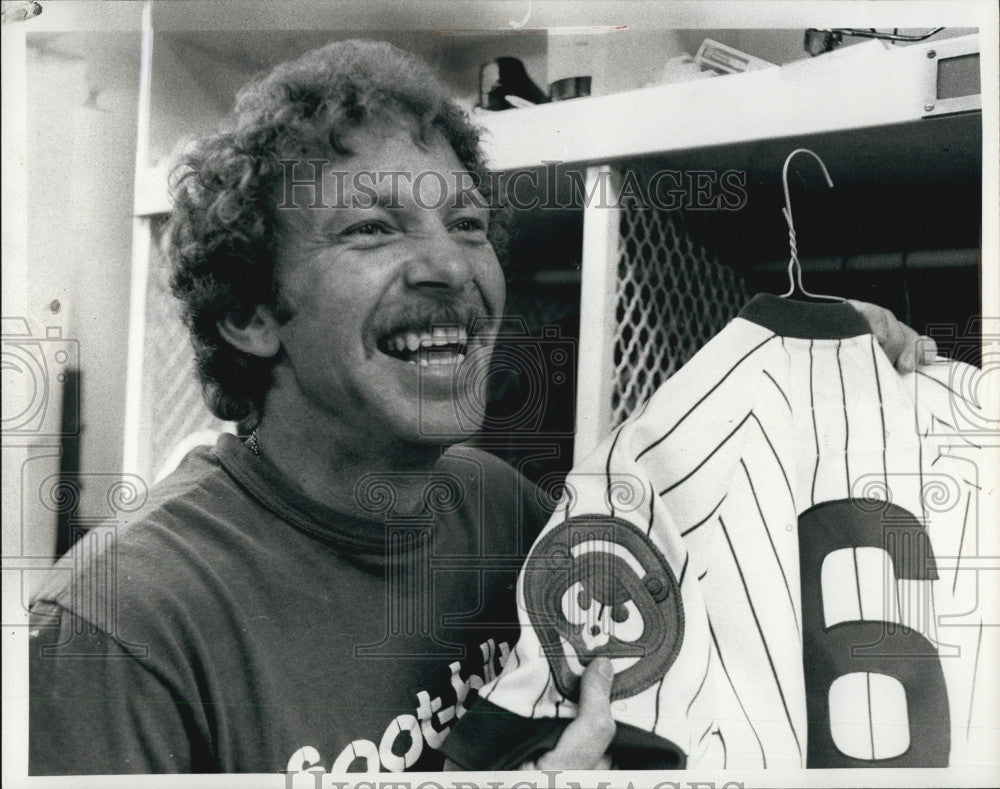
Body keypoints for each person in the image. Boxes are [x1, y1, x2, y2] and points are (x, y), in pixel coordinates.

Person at [28, 39, 934, 775]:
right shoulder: (118, 630)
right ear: (250, 312)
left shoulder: (500, 509)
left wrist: (807, 379)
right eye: (372, 228)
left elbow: (731, 593)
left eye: (466, 224)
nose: (452, 269)